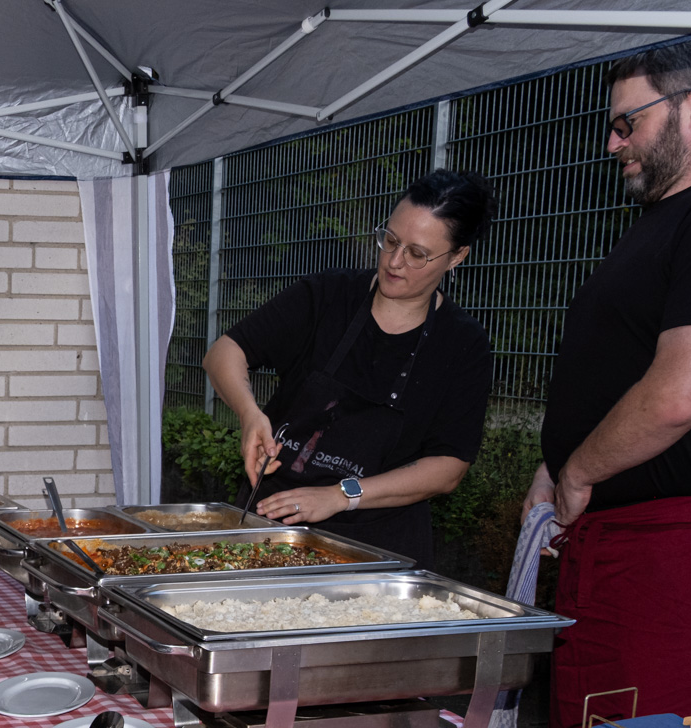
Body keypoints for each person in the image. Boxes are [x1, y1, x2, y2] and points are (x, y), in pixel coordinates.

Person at [525, 35, 691, 728]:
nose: (612, 142)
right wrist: (556, 464)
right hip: (620, 548)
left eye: (627, 122)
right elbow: (618, 373)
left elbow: (676, 394)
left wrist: (577, 471)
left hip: (677, 553)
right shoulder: (672, 219)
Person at [202, 170, 497, 568]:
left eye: (417, 253)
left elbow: (447, 468)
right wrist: (249, 413)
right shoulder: (326, 296)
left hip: (377, 555)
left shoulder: (463, 344)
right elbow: (224, 352)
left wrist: (341, 494)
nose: (394, 261)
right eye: (390, 240)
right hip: (268, 530)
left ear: (457, 256)